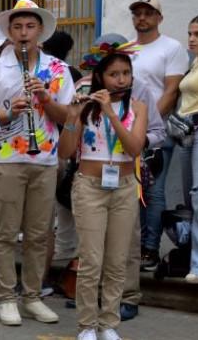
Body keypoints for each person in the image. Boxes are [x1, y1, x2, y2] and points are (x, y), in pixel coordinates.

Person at [0, 0, 74, 326]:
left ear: (40, 32)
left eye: (29, 27)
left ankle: (32, 295)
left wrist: (45, 97)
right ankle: (6, 296)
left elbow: (68, 116)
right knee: (5, 234)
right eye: (16, 27)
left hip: (45, 159)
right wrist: (10, 113)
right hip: (6, 158)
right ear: (9, 33)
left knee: (37, 234)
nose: (23, 33)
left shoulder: (58, 70)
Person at [58, 40, 148, 340]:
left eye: (126, 73)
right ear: (100, 77)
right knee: (91, 259)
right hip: (89, 187)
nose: (121, 80)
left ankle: (108, 324)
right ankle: (86, 325)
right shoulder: (85, 106)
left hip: (123, 187)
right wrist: (72, 117)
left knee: (116, 259)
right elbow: (65, 152)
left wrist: (110, 113)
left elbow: (134, 149)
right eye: (114, 74)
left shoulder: (138, 106)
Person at [122, 0, 190, 320]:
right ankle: (131, 248)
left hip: (154, 132)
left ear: (159, 18)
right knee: (129, 191)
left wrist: (149, 126)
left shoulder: (172, 48)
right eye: (137, 13)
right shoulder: (124, 51)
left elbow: (171, 90)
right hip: (125, 134)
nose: (142, 18)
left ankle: (149, 248)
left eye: (149, 13)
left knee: (153, 190)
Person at [181, 14, 198, 284]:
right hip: (186, 131)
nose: (191, 38)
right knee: (192, 197)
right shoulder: (196, 63)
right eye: (190, 33)